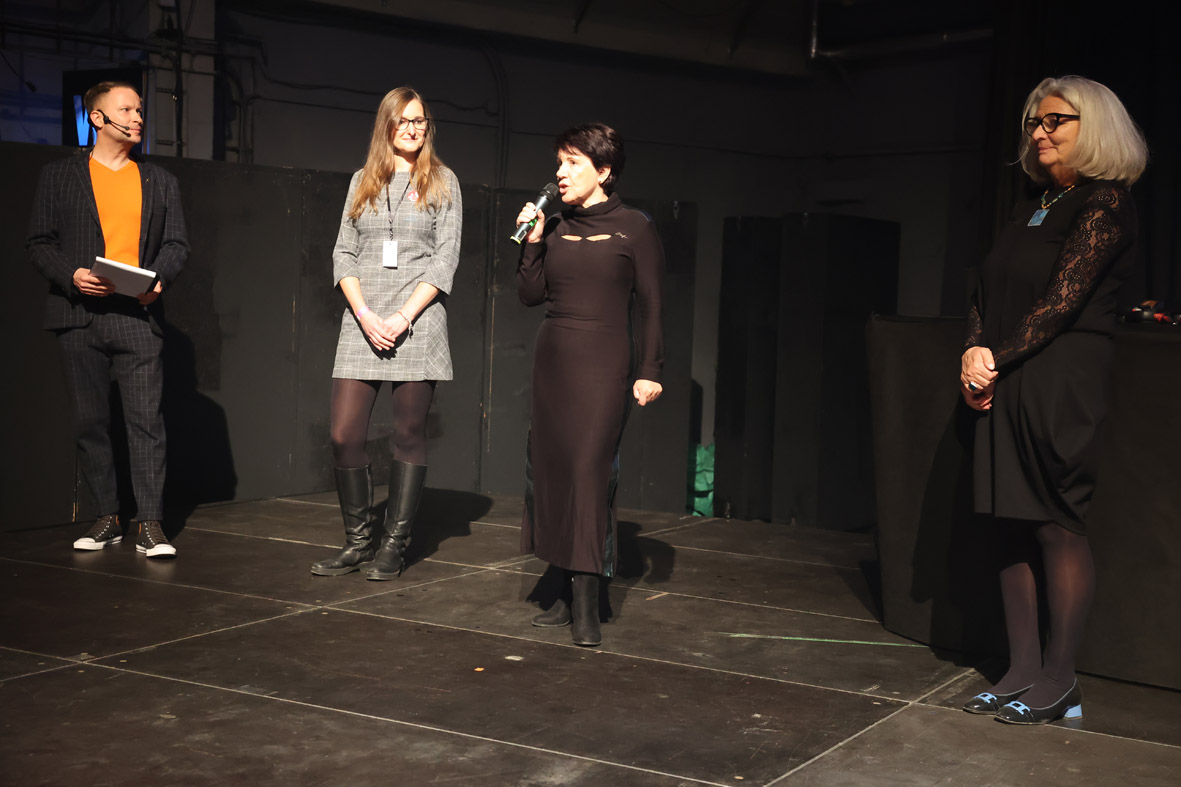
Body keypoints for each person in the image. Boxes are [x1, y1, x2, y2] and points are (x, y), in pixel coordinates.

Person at [959, 76, 1146, 724]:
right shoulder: (1032, 203)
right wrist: (973, 351)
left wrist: (996, 357)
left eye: (1055, 121)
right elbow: (985, 290)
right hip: (1006, 373)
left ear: (1093, 127)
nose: (1039, 133)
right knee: (1008, 521)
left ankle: (1060, 680)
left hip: (1059, 376)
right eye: (1034, 123)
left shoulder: (1105, 202)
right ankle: (1021, 671)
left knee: (1055, 522)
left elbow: (1063, 300)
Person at [515, 123, 665, 646]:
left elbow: (652, 304)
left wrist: (651, 369)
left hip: (605, 365)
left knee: (587, 474)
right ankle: (561, 586)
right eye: (559, 162)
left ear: (603, 171)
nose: (560, 172)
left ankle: (587, 600)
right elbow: (530, 294)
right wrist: (532, 241)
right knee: (554, 473)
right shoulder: (554, 224)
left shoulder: (635, 227)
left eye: (572, 163)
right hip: (553, 363)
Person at [28, 81, 189, 558]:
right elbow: (39, 242)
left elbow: (176, 244)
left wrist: (158, 279)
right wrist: (73, 275)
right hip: (79, 314)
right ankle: (106, 516)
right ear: (97, 118)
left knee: (146, 422)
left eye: (140, 110)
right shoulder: (60, 176)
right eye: (127, 109)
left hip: (135, 315)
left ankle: (150, 523)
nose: (138, 117)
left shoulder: (158, 180)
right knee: (90, 422)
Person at [311, 87, 462, 581]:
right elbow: (343, 252)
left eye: (420, 120)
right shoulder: (363, 180)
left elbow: (445, 258)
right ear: (387, 126)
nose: (413, 129)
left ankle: (394, 545)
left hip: (417, 321)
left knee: (408, 434)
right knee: (343, 436)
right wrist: (364, 313)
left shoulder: (443, 180)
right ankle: (358, 543)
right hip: (363, 319)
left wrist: (402, 316)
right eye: (403, 120)